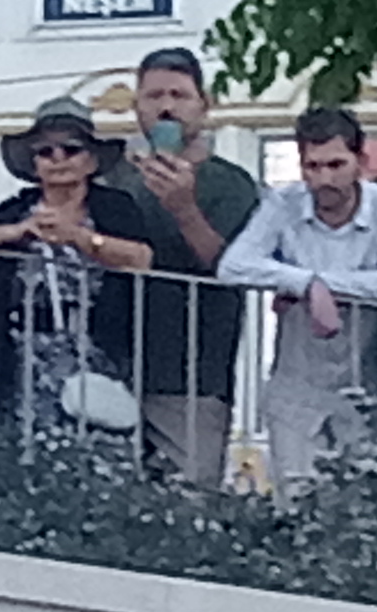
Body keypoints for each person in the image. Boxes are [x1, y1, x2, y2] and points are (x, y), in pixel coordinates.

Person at [214, 106, 377, 489]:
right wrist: (306, 284)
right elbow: (233, 266)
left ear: (360, 161)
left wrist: (318, 285)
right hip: (296, 389)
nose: (324, 178)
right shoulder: (283, 203)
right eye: (312, 166)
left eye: (336, 164)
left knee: (364, 508)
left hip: (367, 388)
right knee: (295, 505)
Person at [0, 100, 159, 441]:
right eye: (45, 151)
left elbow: (141, 258)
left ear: (91, 160)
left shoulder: (115, 207)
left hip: (96, 346)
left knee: (98, 444)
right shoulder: (17, 208)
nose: (58, 158)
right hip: (21, 353)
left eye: (71, 149)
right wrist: (15, 231)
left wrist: (79, 237)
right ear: (34, 164)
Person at [102, 48, 259, 486]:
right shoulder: (114, 180)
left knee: (188, 500)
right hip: (113, 367)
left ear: (203, 106)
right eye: (154, 96)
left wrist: (184, 207)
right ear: (137, 106)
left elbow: (231, 267)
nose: (166, 107)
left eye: (179, 95)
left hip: (192, 375)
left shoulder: (231, 183)